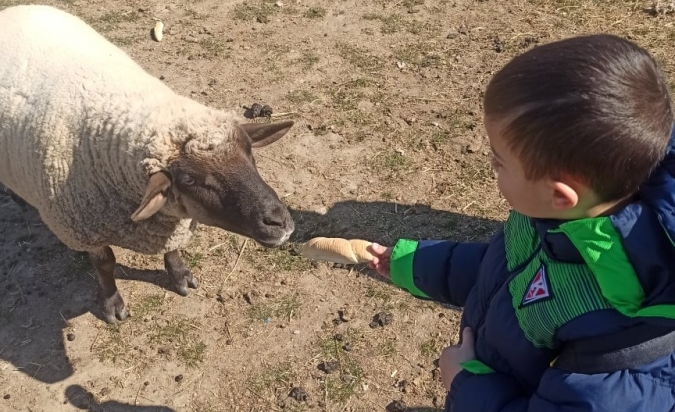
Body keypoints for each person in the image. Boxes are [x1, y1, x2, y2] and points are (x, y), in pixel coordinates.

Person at [367, 34, 675, 412]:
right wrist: (413, 264)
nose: (491, 167)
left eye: (499, 161)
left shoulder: (622, 345)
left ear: (560, 193)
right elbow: (506, 269)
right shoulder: (559, 220)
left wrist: (465, 384)